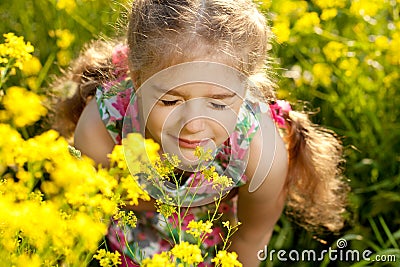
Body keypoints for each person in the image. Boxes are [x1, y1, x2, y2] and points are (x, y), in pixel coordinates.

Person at [52, 0, 348, 266]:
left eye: (219, 102)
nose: (193, 124)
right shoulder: (103, 126)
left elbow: (250, 240)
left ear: (247, 91)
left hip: (211, 249)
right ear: (136, 78)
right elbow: (90, 214)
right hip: (123, 244)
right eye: (170, 100)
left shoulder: (261, 154)